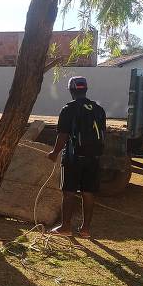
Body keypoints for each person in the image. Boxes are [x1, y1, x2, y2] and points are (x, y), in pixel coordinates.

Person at [47, 76, 107, 238]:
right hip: (93, 157)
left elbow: (63, 136)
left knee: (69, 192)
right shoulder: (98, 109)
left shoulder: (68, 109)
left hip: (73, 157)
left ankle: (65, 227)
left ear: (71, 90)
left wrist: (54, 153)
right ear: (85, 89)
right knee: (88, 192)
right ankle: (85, 229)